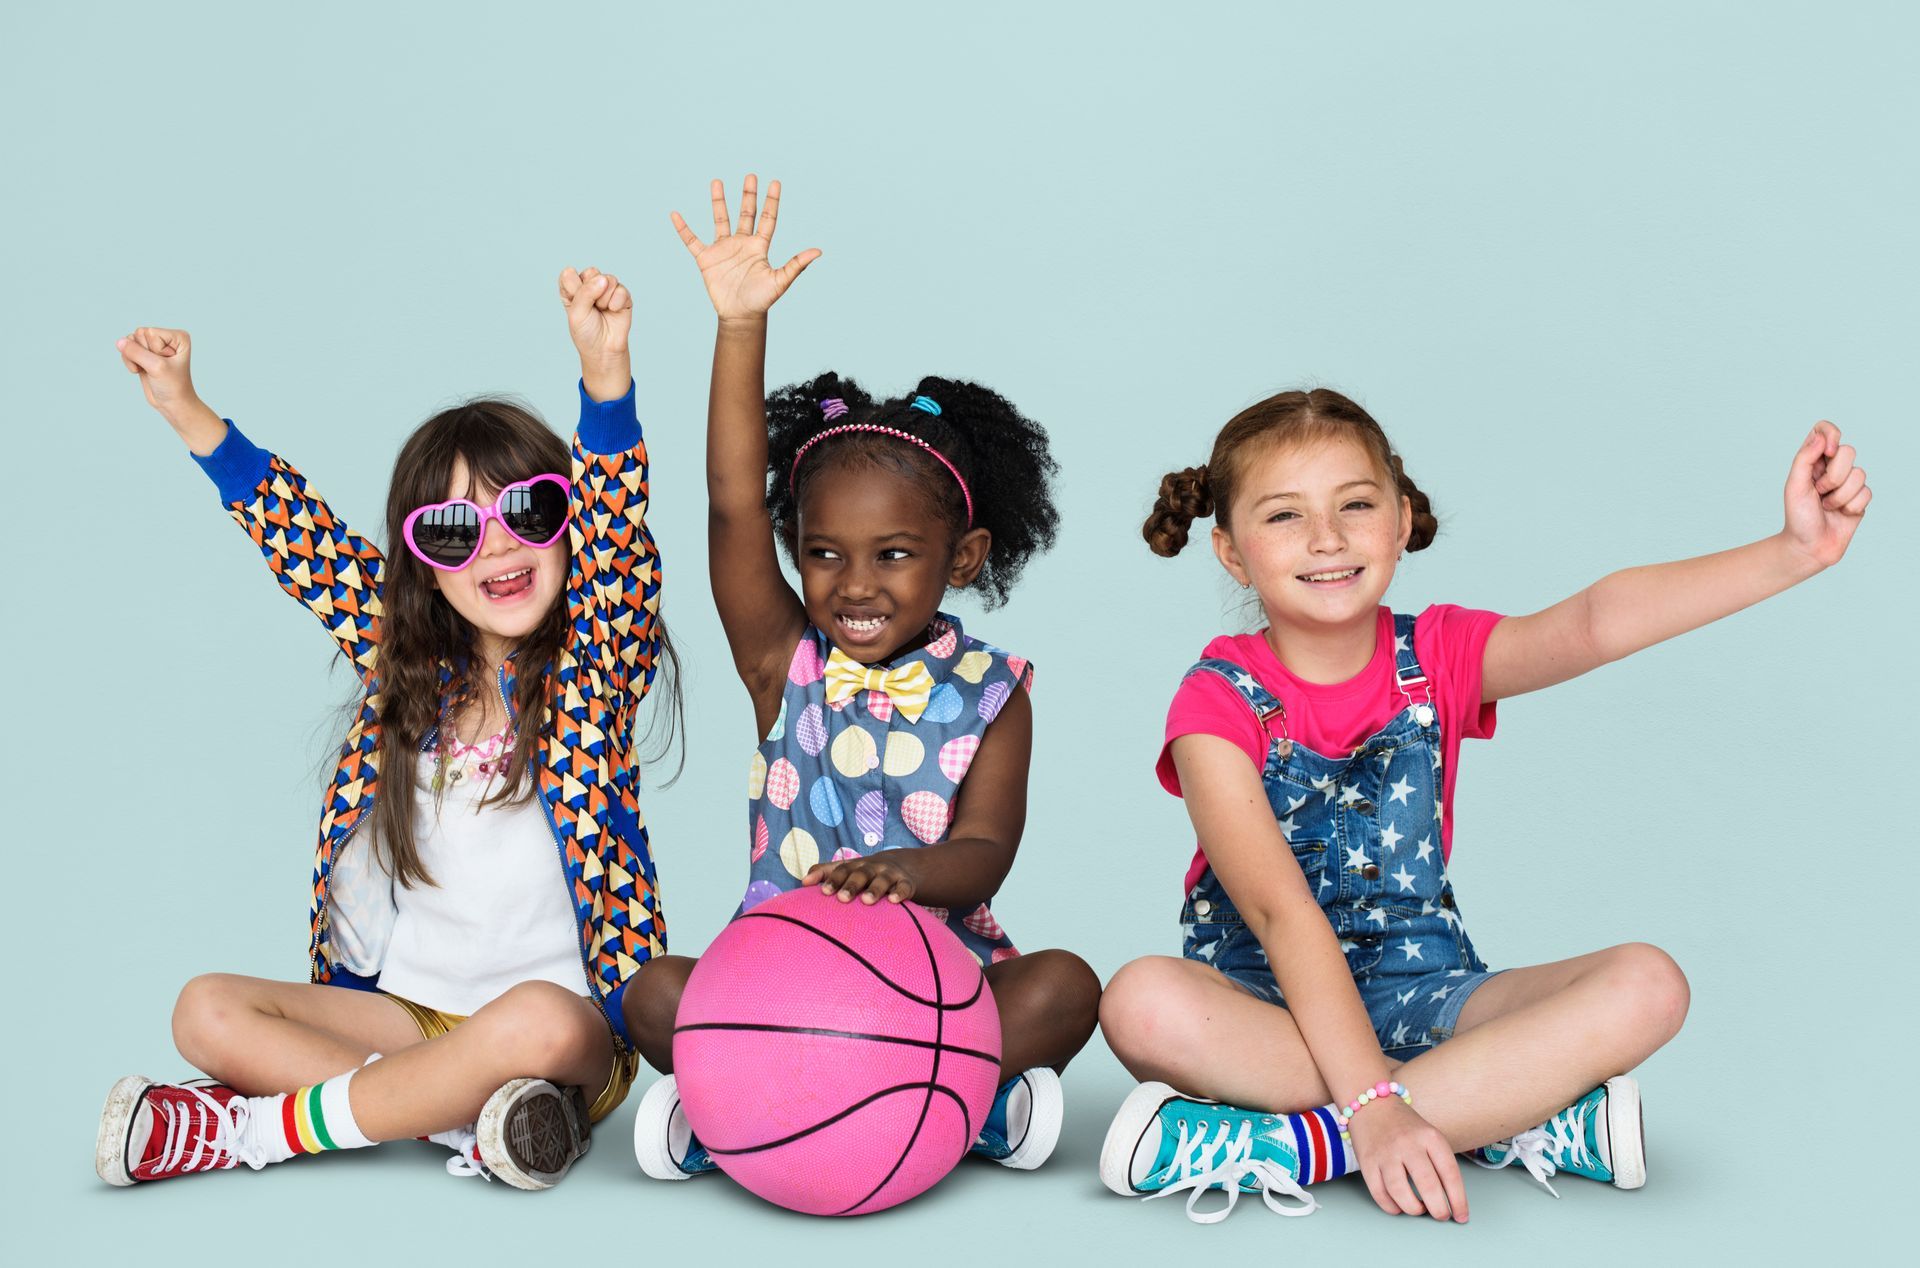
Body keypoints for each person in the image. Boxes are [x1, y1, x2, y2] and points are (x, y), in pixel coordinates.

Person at [1096, 387, 1870, 1222]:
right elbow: (1280, 913)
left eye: (1355, 505)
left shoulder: (1438, 653)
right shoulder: (1216, 702)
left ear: (1400, 521)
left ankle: (1293, 1147)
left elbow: (1597, 621)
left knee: (1649, 984)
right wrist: (1374, 1105)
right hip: (1265, 1004)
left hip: (1429, 993)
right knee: (1141, 1002)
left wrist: (1793, 553)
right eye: (1285, 516)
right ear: (1231, 552)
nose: (1327, 538)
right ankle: (1489, 1115)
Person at [95, 266, 678, 1191]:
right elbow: (304, 539)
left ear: (567, 528)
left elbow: (620, 535)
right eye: (453, 531)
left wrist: (606, 379)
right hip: (411, 1015)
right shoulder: (406, 664)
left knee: (536, 1021)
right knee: (203, 1010)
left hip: (566, 1028)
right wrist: (186, 409)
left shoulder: (594, 667)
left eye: (528, 511)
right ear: (423, 568)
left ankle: (251, 1132)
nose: (496, 544)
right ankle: (469, 1123)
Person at [624, 176, 1102, 1184]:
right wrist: (739, 326)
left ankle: (914, 1093)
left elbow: (984, 849)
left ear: (962, 558)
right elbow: (727, 508)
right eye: (824, 552)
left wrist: (907, 872)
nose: (853, 583)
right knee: (655, 992)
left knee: (1064, 986)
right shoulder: (783, 661)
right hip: (782, 973)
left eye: (893, 554)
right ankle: (791, 1101)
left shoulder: (993, 692)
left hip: (937, 983)